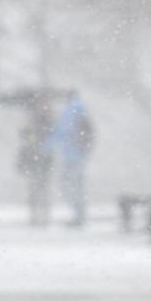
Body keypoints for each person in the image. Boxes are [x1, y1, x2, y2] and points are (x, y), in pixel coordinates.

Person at [48, 90, 95, 227]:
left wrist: (48, 146)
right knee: (76, 185)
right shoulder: (79, 110)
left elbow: (60, 132)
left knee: (70, 185)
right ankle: (79, 214)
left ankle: (78, 215)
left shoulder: (70, 112)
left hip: (72, 154)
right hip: (77, 154)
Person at [17, 95, 55, 226]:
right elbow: (24, 139)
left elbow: (51, 137)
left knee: (42, 187)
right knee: (34, 188)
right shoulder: (33, 122)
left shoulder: (46, 121)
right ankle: (35, 216)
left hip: (43, 158)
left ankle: (43, 216)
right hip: (34, 158)